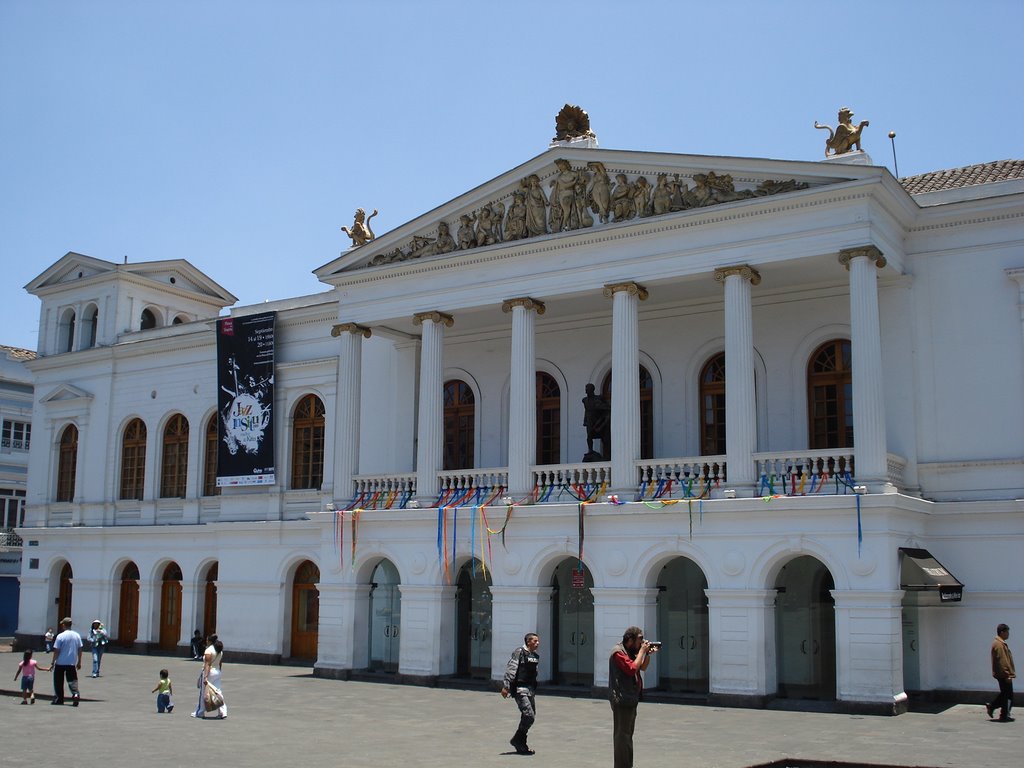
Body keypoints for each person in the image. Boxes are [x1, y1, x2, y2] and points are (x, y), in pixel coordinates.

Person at [608, 626, 657, 768]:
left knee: (627, 735)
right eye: (640, 640)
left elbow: (642, 667)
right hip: (622, 699)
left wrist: (646, 654)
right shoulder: (618, 652)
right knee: (622, 737)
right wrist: (642, 651)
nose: (641, 643)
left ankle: (627, 764)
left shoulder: (630, 651)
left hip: (630, 698)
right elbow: (631, 669)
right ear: (630, 640)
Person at [501, 632, 541, 755]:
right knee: (528, 715)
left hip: (530, 690)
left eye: (538, 641)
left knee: (531, 716)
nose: (537, 643)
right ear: (528, 642)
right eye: (535, 641)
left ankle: (520, 742)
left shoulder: (534, 656)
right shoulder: (519, 652)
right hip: (520, 689)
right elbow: (511, 668)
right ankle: (519, 740)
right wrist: (506, 686)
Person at [51, 616, 83, 706]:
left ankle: (59, 698)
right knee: (72, 680)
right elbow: (80, 649)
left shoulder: (60, 636)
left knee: (58, 681)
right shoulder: (77, 635)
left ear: (64, 625)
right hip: (71, 662)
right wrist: (79, 661)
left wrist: (53, 662)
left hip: (60, 662)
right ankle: (75, 694)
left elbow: (56, 650)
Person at [192, 635, 227, 719]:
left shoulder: (209, 650)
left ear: (210, 641)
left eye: (207, 640)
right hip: (217, 672)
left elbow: (207, 664)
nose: (206, 642)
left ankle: (200, 712)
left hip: (210, 672)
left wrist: (205, 677)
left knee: (204, 693)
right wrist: (219, 672)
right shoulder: (219, 651)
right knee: (218, 692)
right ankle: (223, 712)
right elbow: (220, 663)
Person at [986, 623, 1015, 722]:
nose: (1008, 634)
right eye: (1007, 632)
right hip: (1003, 674)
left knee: (1005, 694)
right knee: (1008, 695)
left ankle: (993, 707)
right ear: (1002, 632)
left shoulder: (1000, 643)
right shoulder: (998, 644)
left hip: (1002, 674)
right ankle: (1002, 714)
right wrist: (1007, 674)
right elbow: (1002, 661)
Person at [582, 383, 611, 459]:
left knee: (604, 438)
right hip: (589, 422)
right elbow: (586, 411)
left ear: (591, 390)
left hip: (598, 421)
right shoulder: (584, 400)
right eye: (586, 389)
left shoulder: (597, 399)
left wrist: (603, 421)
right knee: (589, 437)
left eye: (587, 389)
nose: (586, 390)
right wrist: (585, 421)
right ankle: (590, 450)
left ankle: (608, 454)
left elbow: (607, 408)